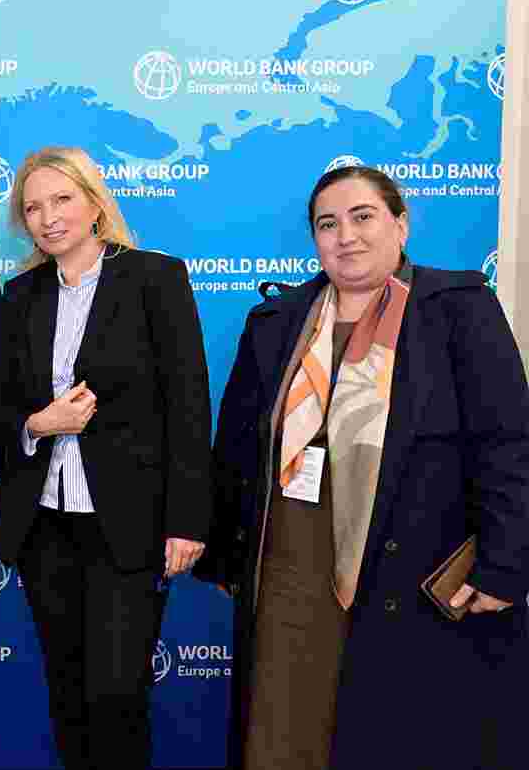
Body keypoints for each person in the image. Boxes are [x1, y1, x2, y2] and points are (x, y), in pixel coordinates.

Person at [200, 165, 528, 770]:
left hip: (411, 561)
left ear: (399, 226)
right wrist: (226, 549)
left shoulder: (457, 308)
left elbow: (506, 443)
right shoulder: (276, 322)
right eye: (328, 224)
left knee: (400, 732)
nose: (345, 236)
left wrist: (508, 564)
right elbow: (238, 446)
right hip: (291, 561)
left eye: (363, 216)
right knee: (286, 721)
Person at [0, 147, 211, 770]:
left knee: (118, 695)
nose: (48, 217)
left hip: (128, 525)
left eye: (61, 200)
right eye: (33, 208)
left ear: (93, 202)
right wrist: (38, 423)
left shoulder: (153, 277)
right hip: (45, 527)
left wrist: (188, 520)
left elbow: (188, 406)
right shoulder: (21, 294)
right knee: (68, 692)